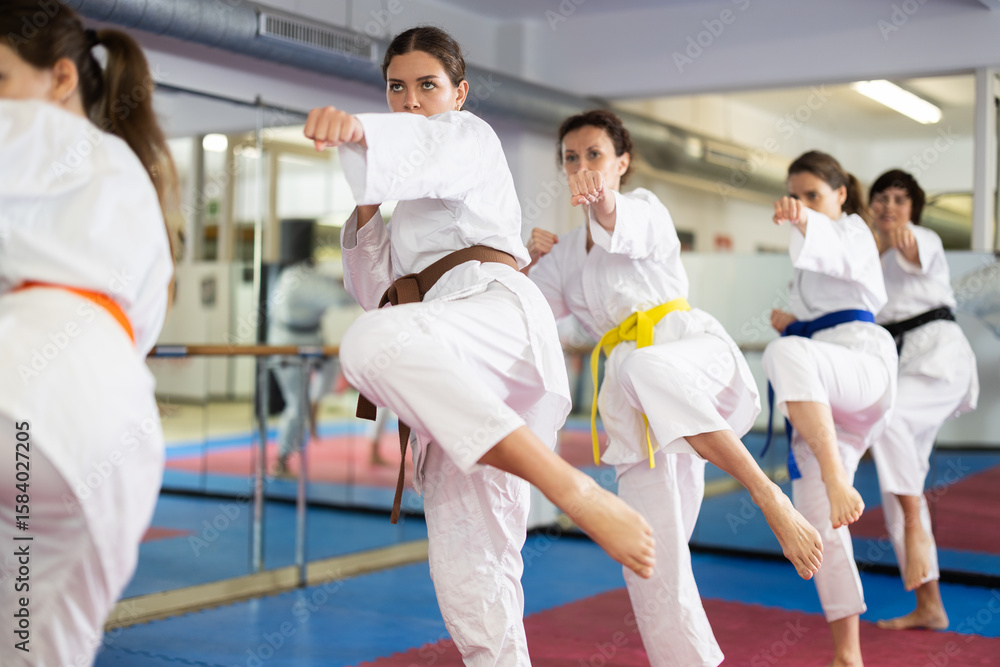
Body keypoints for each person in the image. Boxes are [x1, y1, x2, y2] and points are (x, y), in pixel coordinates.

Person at [303, 27, 655, 665]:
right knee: (470, 572)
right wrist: (366, 205)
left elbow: (423, 145)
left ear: (459, 93)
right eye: (397, 88)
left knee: (369, 344)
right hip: (452, 363)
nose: (410, 101)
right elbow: (372, 287)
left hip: (494, 318)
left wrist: (357, 131)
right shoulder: (401, 198)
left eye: (427, 86)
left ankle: (573, 491)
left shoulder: (470, 136)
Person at [525, 109, 822, 667]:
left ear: (622, 162)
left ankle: (766, 493)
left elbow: (620, 222)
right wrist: (523, 258)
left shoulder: (645, 209)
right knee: (651, 558)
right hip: (634, 405)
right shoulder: (564, 254)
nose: (582, 166)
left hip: (687, 356)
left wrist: (603, 203)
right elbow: (525, 310)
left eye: (595, 155)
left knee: (645, 367)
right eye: (571, 157)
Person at [0, 4, 176, 666]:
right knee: (35, 639)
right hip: (97, 429)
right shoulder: (129, 172)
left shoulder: (29, 135)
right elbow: (145, 328)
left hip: (29, 406)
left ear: (61, 77)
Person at [763, 151, 898, 667]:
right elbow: (820, 293)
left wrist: (802, 218)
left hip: (863, 368)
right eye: (795, 196)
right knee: (817, 519)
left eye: (813, 195)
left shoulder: (855, 231)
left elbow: (835, 254)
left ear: (841, 195)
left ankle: (838, 474)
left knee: (785, 353)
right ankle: (848, 653)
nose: (802, 205)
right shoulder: (810, 253)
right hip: (825, 391)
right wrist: (794, 320)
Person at [867, 170, 978, 630]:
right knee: (897, 486)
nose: (890, 206)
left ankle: (915, 523)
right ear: (870, 203)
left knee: (886, 420)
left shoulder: (921, 239)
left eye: (900, 199)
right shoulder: (864, 254)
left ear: (913, 208)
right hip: (902, 364)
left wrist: (889, 232)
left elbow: (907, 248)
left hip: (940, 361)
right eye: (882, 198)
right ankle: (930, 605)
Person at [267, 220, 350, 477]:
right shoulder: (299, 279)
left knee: (333, 364)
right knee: (296, 406)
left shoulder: (291, 275)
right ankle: (281, 459)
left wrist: (336, 281)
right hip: (288, 346)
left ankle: (314, 404)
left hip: (307, 341)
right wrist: (346, 283)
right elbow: (341, 298)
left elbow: (328, 288)